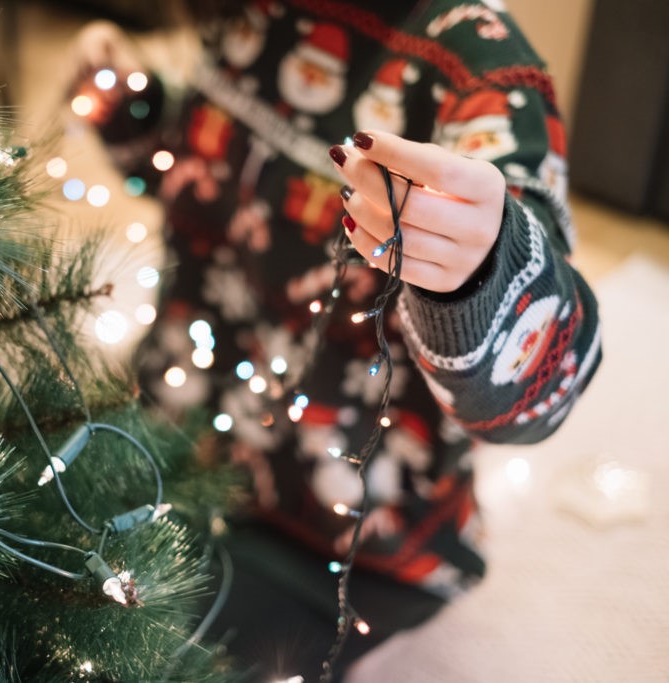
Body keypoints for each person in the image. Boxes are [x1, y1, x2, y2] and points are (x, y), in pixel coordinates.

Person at [68, 1, 602, 679]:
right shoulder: (251, 15)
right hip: (169, 456)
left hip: (348, 551)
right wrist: (133, 114)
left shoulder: (483, 72)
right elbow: (203, 184)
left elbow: (546, 387)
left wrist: (482, 269)